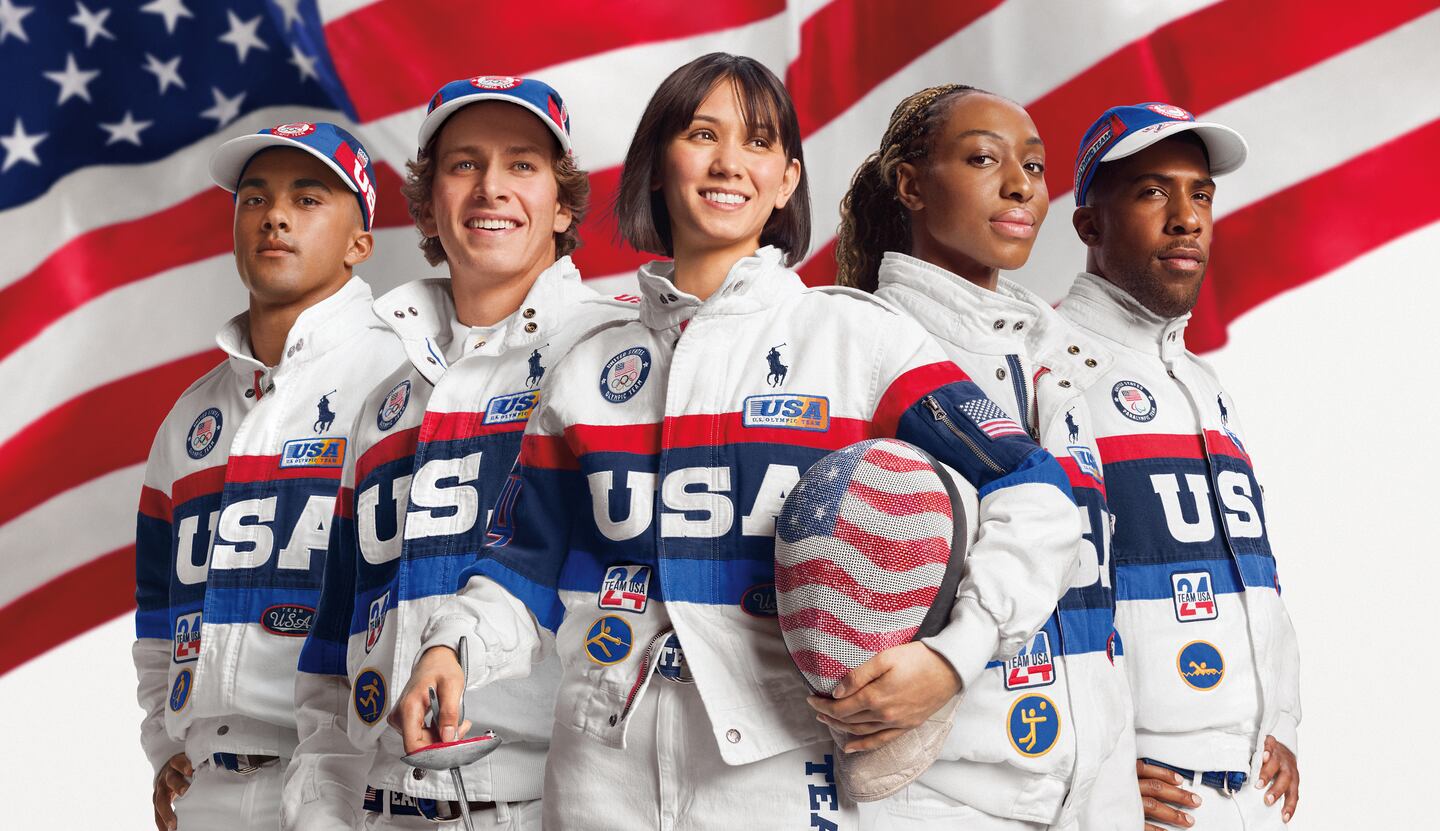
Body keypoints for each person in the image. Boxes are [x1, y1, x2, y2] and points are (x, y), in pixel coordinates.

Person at [391, 52, 1082, 830]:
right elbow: (522, 565)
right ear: (657, 165)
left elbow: (1033, 488)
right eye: (701, 134)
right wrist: (450, 648)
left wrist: (958, 653)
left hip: (783, 778)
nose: (728, 163)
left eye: (757, 144)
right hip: (595, 778)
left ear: (787, 179)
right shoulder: (587, 368)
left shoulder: (856, 337)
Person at [283, 77, 636, 830]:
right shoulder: (384, 401)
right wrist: (319, 808)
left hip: (547, 802)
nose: (491, 188)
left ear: (564, 203)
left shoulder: (614, 353)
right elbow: (331, 641)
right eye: (464, 164)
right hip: (381, 806)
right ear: (429, 205)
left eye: (522, 165)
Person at [836, 83, 1140, 830]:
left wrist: (1133, 755)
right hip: (936, 793)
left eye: (1035, 167)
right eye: (983, 158)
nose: (1020, 186)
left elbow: (1099, 580)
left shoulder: (1059, 354)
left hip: (1097, 791)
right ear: (910, 184)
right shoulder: (856, 343)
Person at [133, 122, 402, 830]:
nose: (275, 215)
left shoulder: (403, 380)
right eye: (254, 199)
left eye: (308, 198)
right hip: (209, 789)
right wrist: (163, 741)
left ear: (359, 241)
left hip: (350, 779)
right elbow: (158, 607)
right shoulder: (191, 417)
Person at [1057, 103, 1301, 829]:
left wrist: (1279, 718)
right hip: (1138, 800)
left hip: (1245, 790)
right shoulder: (1047, 367)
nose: (1186, 217)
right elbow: (1025, 597)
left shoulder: (1202, 383)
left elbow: (1253, 572)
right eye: (1152, 191)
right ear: (1089, 225)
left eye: (1200, 193)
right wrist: (1091, 762)